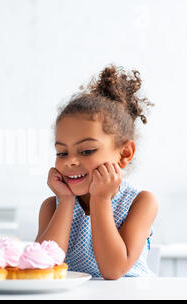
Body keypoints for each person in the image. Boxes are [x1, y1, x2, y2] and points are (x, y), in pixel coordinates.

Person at [35, 65, 158, 279]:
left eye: (87, 151)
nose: (70, 162)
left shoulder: (141, 203)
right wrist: (65, 201)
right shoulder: (51, 207)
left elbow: (113, 271)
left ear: (124, 153)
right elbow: (40, 268)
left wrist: (100, 199)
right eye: (62, 153)